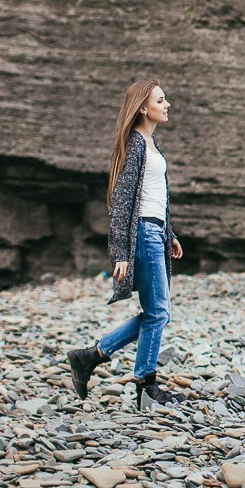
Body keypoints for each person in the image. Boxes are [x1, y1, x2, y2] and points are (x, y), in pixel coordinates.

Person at [66, 79, 186, 409]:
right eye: (161, 100)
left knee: (157, 313)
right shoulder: (135, 145)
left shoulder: (151, 145)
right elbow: (121, 201)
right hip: (143, 235)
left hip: (155, 233)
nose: (168, 104)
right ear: (143, 108)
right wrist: (120, 252)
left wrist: (170, 233)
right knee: (159, 312)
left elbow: (156, 197)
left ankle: (90, 356)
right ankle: (144, 384)